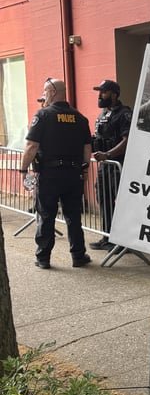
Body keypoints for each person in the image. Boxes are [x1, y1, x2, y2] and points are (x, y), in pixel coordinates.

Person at [19, 77, 92, 269]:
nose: (44, 96)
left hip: (50, 174)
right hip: (73, 174)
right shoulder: (80, 118)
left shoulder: (43, 116)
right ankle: (78, 255)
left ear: (52, 92)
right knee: (73, 216)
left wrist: (23, 169)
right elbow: (87, 150)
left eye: (45, 92)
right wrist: (84, 170)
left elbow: (32, 146)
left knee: (46, 215)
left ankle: (43, 258)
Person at [90, 79, 132, 250]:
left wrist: (108, 154)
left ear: (114, 94)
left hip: (119, 165)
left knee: (121, 202)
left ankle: (124, 242)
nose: (100, 95)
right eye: (99, 92)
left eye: (104, 92)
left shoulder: (124, 113)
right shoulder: (103, 115)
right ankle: (108, 237)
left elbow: (127, 140)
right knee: (104, 198)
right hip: (105, 166)